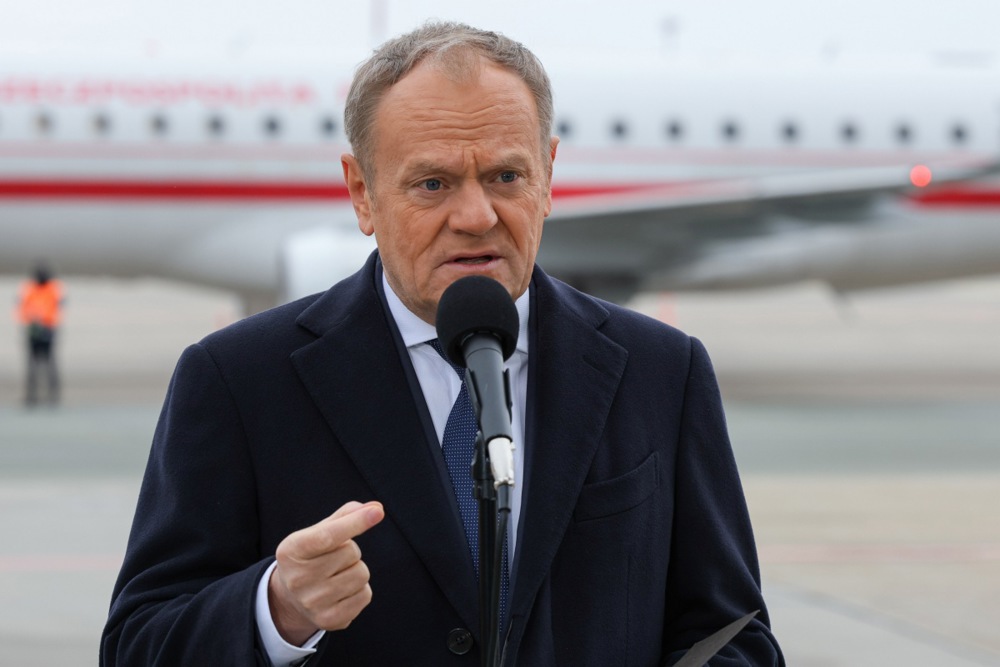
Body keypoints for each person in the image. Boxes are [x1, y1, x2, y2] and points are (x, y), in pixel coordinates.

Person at [102, 22, 783, 666]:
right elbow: (138, 643)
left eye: (506, 177)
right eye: (433, 184)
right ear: (362, 193)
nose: (476, 216)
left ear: (548, 176)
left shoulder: (662, 371)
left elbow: (734, 634)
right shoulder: (238, 380)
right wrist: (276, 609)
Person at [15, 263, 64, 406]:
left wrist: (46, 321)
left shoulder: (54, 288)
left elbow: (58, 307)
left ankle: (53, 395)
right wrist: (31, 320)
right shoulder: (29, 288)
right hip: (34, 329)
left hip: (48, 329)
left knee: (49, 363)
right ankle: (32, 395)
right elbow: (22, 308)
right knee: (33, 364)